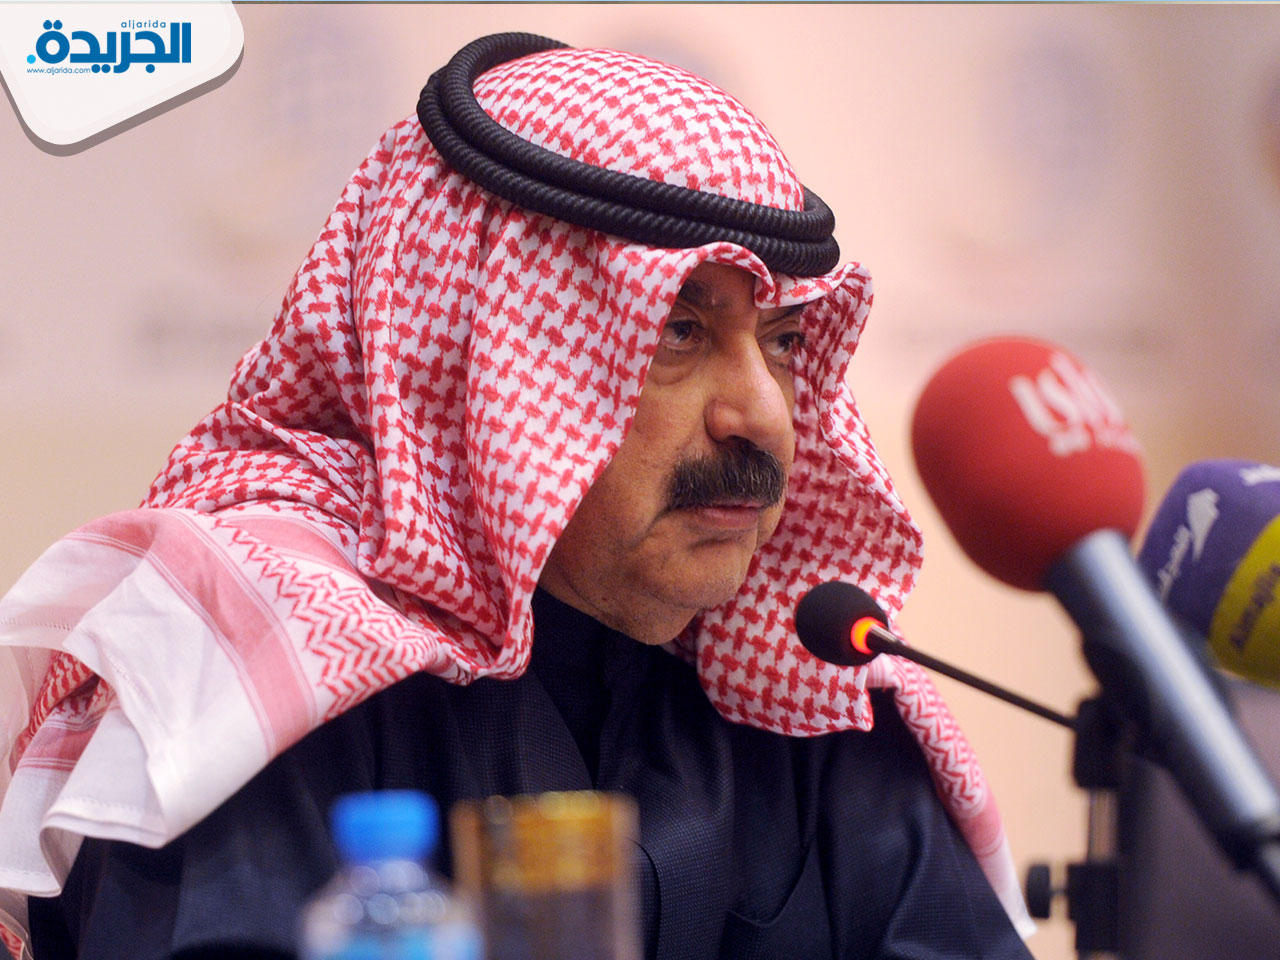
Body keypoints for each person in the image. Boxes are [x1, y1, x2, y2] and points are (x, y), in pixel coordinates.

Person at [0, 32, 1035, 960]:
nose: (762, 414)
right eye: (679, 332)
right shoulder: (252, 669)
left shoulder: (813, 682)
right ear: (487, 360)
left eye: (782, 340)